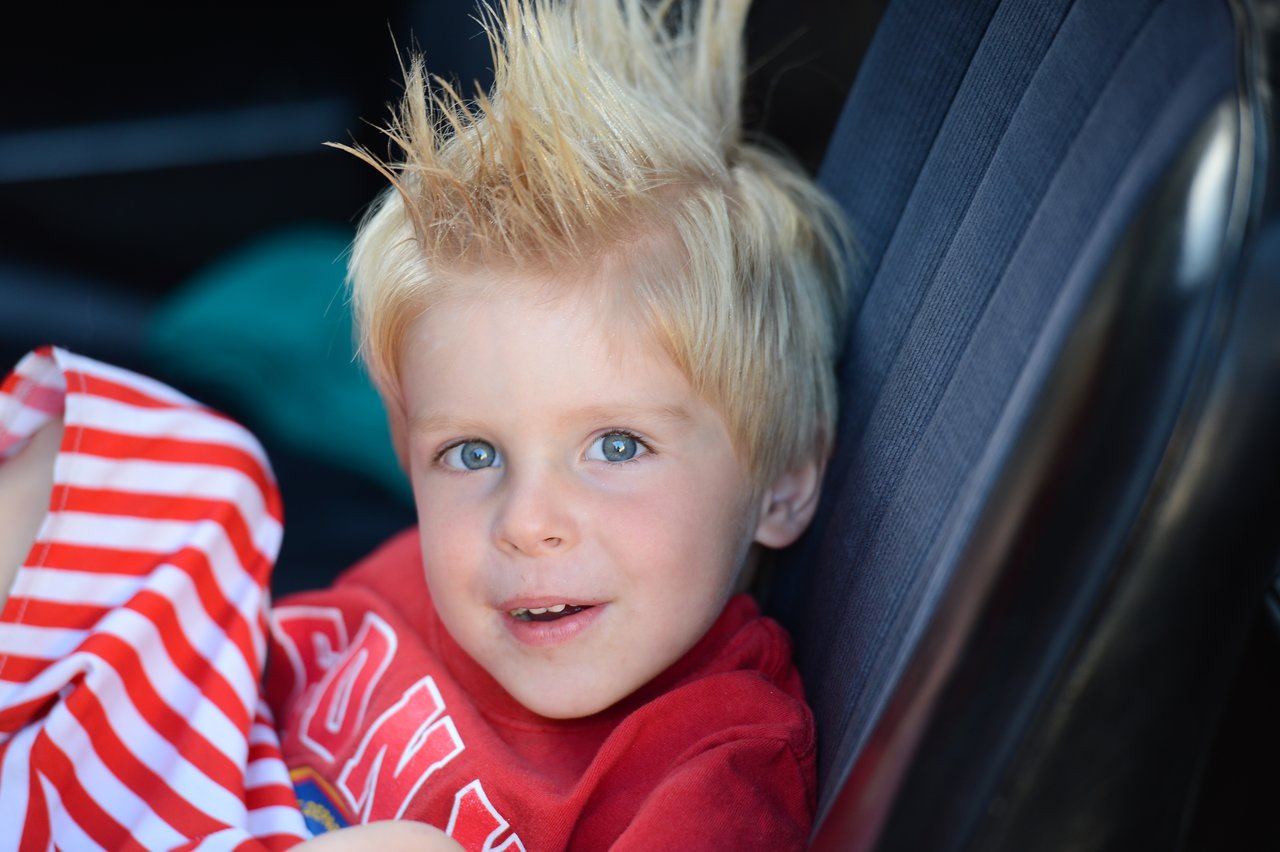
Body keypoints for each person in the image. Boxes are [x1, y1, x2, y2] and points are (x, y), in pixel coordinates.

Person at [265, 0, 852, 848]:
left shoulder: (713, 766)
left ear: (783, 480)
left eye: (617, 446)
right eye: (471, 453)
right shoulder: (410, 586)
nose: (525, 523)